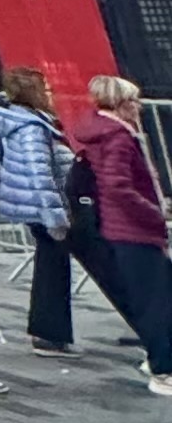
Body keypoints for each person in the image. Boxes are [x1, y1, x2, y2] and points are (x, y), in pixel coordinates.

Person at [0, 63, 115, 353]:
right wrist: (55, 217)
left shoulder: (26, 121)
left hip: (50, 207)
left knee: (53, 266)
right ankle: (50, 333)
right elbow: (40, 174)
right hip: (52, 208)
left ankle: (49, 332)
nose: (50, 92)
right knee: (69, 265)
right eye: (44, 88)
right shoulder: (30, 127)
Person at [69, 78, 172, 391]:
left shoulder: (103, 133)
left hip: (120, 227)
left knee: (155, 296)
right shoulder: (119, 138)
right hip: (134, 228)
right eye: (134, 101)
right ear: (120, 104)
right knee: (156, 300)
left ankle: (159, 359)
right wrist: (155, 212)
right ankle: (163, 370)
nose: (139, 107)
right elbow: (118, 186)